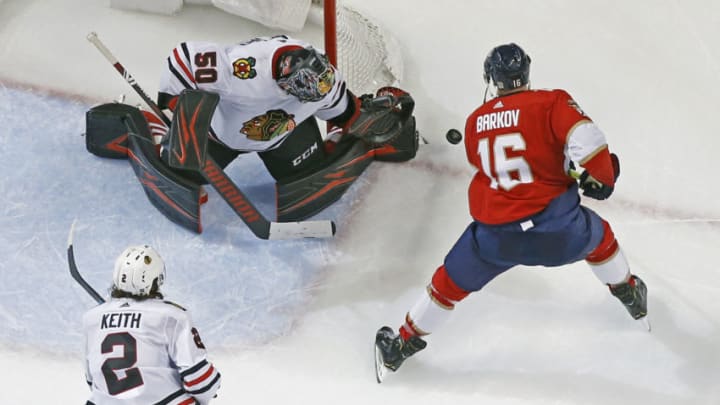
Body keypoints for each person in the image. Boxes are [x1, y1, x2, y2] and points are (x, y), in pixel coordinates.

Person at [374, 43, 648, 375]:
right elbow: (588, 139)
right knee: (601, 237)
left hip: (495, 238)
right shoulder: (551, 102)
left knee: (447, 284)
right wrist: (601, 177)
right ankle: (629, 294)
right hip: (558, 230)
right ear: (526, 73)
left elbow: (494, 166)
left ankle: (401, 345)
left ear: (492, 79)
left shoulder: (476, 122)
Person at [151, 34, 417, 182]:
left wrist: (369, 123)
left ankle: (326, 146)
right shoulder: (243, 69)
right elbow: (181, 61)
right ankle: (155, 133)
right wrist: (183, 118)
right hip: (215, 136)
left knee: (304, 177)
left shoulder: (322, 81)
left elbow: (349, 114)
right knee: (178, 174)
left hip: (282, 137)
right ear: (288, 78)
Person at [82, 245, 221, 404]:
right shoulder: (172, 316)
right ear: (156, 280)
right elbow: (201, 382)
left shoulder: (92, 318)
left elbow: (93, 380)